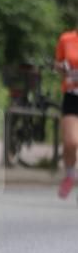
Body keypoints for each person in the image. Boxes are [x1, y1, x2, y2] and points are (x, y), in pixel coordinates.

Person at [54, 26, 78, 199]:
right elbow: (58, 63)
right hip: (72, 95)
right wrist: (62, 68)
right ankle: (70, 174)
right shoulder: (66, 39)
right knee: (71, 142)